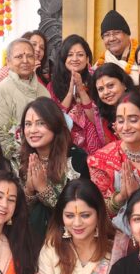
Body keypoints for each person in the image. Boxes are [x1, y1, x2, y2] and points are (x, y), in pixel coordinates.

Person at [88, 91, 140, 261]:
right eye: (120, 121)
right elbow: (96, 212)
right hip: (122, 247)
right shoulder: (102, 160)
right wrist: (121, 197)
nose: (125, 127)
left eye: (133, 120)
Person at [17, 97, 90, 248]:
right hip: (31, 240)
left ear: (55, 124)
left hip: (69, 241)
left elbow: (81, 212)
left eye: (40, 123)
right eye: (28, 124)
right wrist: (29, 190)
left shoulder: (76, 159)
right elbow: (18, 211)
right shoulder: (23, 159)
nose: (33, 130)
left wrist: (44, 189)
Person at [0, 38, 49, 161]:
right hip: (15, 160)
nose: (25, 60)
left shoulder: (43, 91)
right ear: (8, 62)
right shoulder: (1, 92)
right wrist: (27, 156)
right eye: (19, 57)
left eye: (29, 56)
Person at [49, 34, 103, 153]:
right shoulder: (53, 85)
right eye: (70, 55)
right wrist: (70, 92)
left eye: (80, 54)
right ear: (63, 59)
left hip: (93, 143)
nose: (75, 59)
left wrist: (81, 89)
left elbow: (97, 120)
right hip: (65, 143)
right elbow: (55, 119)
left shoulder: (97, 81)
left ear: (87, 59)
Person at [89, 63, 133, 146]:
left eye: (110, 86)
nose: (106, 92)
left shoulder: (138, 108)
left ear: (124, 84)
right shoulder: (103, 116)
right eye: (101, 89)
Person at [95, 10, 139, 84]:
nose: (112, 38)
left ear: (127, 35)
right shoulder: (100, 64)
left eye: (116, 33)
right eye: (107, 35)